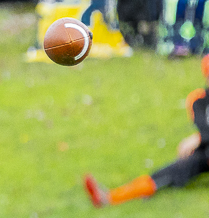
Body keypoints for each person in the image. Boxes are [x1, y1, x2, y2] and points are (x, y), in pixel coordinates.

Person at [85, 55, 209, 208]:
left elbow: (203, 134)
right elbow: (204, 128)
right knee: (174, 169)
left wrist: (198, 138)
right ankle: (112, 197)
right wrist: (200, 138)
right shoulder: (198, 100)